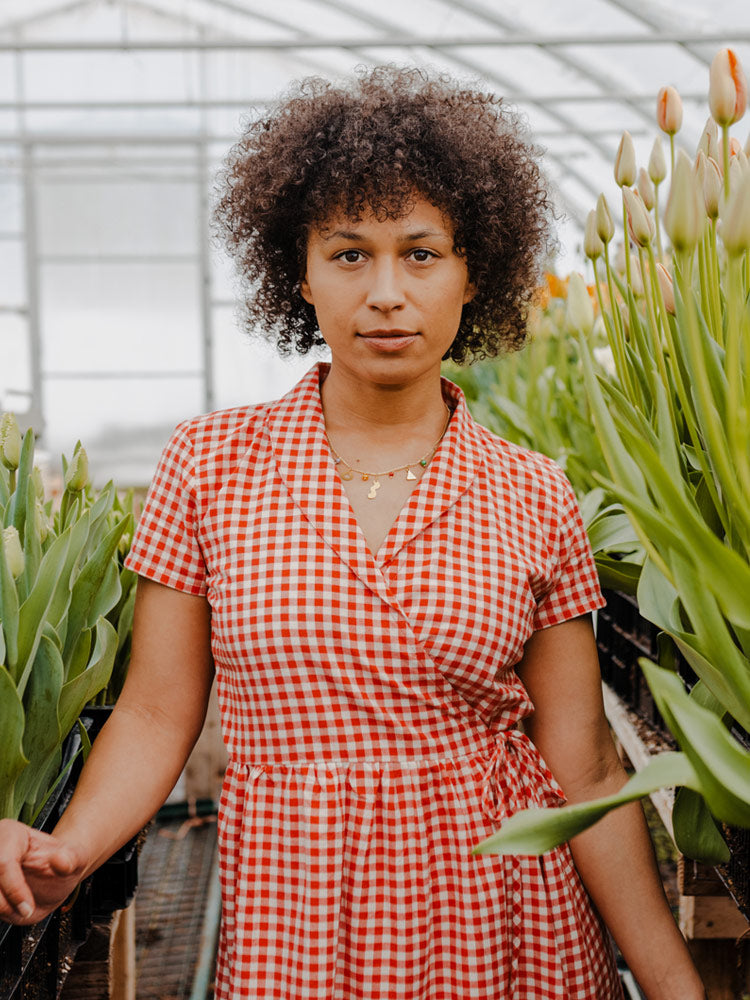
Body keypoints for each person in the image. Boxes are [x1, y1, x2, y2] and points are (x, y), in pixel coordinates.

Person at [0, 67, 705, 999]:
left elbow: (585, 762)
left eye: (420, 254)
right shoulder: (210, 466)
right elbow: (157, 710)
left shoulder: (532, 493)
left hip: (503, 915)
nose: (385, 293)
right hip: (297, 910)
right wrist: (71, 849)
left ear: (471, 273)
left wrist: (676, 987)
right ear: (298, 272)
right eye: (348, 254)